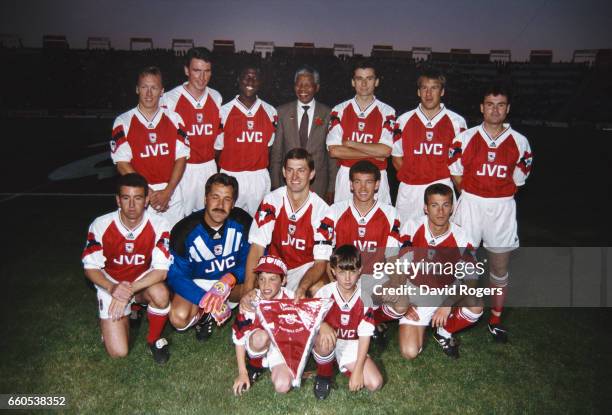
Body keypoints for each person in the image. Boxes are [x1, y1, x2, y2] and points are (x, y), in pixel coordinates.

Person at [449, 85, 532, 343]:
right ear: (481, 107)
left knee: (499, 266)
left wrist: (494, 195)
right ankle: (465, 312)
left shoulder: (520, 142)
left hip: (502, 207)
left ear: (507, 109)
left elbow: (518, 181)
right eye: (489, 104)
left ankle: (495, 319)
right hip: (471, 203)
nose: (494, 109)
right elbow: (456, 173)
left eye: (500, 105)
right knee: (465, 264)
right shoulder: (464, 138)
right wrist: (475, 194)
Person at [81, 173, 172, 364]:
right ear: (117, 200)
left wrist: (129, 289)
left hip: (141, 283)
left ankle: (154, 340)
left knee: (161, 294)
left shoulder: (160, 224)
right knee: (119, 352)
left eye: (138, 198)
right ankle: (120, 315)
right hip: (111, 283)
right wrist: (114, 288)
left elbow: (161, 271)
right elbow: (90, 268)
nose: (132, 205)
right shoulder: (100, 224)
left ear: (147, 200)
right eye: (126, 198)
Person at [394, 183, 483, 359]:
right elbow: (399, 268)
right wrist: (403, 299)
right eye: (435, 205)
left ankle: (444, 330)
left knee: (475, 304)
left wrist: (447, 303)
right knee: (409, 352)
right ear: (426, 208)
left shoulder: (461, 236)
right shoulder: (412, 228)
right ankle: (424, 324)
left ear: (452, 208)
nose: (440, 212)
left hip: (445, 290)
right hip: (416, 292)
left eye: (445, 205)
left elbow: (472, 278)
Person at [167, 173, 252, 341]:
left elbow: (252, 260)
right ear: (205, 199)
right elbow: (176, 276)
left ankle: (250, 325)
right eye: (215, 197)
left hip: (231, 284)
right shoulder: (184, 230)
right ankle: (205, 315)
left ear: (233, 203)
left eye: (227, 199)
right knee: (178, 317)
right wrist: (205, 299)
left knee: (260, 288)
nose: (220, 205)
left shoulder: (243, 221)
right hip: (198, 283)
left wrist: (231, 278)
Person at [243, 148, 332, 299]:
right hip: (275, 268)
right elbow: (257, 247)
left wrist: (302, 287)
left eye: (301, 170)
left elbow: (320, 263)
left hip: (305, 268)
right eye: (290, 170)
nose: (294, 176)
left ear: (311, 174)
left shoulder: (322, 210)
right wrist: (247, 290)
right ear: (284, 172)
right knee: (252, 293)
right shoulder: (271, 201)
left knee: (319, 288)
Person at [110, 66, 190, 227]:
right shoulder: (123, 121)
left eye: (153, 88)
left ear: (161, 91)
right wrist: (149, 192)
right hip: (140, 195)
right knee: (144, 245)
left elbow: (181, 158)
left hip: (172, 193)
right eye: (144, 87)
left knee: (174, 244)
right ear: (137, 89)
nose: (148, 93)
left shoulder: (175, 119)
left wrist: (168, 192)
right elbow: (122, 163)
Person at [392, 68, 467, 223]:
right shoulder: (403, 120)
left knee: (442, 240)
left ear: (442, 92)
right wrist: (413, 177)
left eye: (434, 88)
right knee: (407, 239)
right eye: (424, 88)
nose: (428, 93)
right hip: (410, 190)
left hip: (442, 189)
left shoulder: (457, 122)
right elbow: (396, 158)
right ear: (418, 92)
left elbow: (460, 164)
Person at [311, 245, 383, 400]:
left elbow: (365, 335)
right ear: (333, 271)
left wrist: (357, 371)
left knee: (375, 383)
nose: (347, 278)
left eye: (352, 271)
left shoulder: (365, 297)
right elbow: (309, 319)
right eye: (342, 272)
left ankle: (340, 365)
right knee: (323, 339)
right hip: (328, 340)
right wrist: (322, 325)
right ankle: (324, 375)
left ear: (360, 270)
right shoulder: (324, 292)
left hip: (352, 343)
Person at [162, 47, 223, 216]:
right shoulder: (169, 99)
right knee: (179, 221)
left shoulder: (216, 97)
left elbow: (219, 140)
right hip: (183, 170)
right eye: (197, 71)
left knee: (208, 219)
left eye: (207, 71)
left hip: (209, 167)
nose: (202, 77)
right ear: (186, 70)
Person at [326, 60, 395, 204]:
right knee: (344, 222)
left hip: (377, 177)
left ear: (376, 82)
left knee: (379, 223)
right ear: (353, 82)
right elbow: (334, 151)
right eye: (359, 79)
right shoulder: (339, 110)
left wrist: (351, 144)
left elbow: (386, 151)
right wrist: (375, 152)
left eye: (369, 79)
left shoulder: (387, 111)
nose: (364, 84)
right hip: (347, 176)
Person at [214, 64, 277, 216]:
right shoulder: (224, 111)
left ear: (260, 82)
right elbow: (217, 149)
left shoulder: (270, 111)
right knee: (229, 221)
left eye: (255, 78)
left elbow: (268, 147)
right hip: (232, 175)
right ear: (238, 80)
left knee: (259, 224)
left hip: (259, 176)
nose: (250, 81)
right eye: (246, 77)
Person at [271, 66, 336, 202]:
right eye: (299, 84)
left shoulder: (328, 114)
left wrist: (331, 188)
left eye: (308, 85)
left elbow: (332, 156)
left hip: (318, 184)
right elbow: (276, 153)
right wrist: (276, 186)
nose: (302, 89)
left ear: (316, 87)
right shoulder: (282, 112)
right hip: (289, 182)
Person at [232, 255, 295, 395]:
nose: (266, 285)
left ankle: (268, 365)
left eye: (272, 279)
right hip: (257, 342)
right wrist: (242, 372)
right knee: (262, 336)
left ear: (283, 280)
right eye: (262, 279)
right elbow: (239, 337)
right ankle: (254, 365)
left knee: (283, 386)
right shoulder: (251, 301)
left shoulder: (292, 299)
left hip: (279, 349)